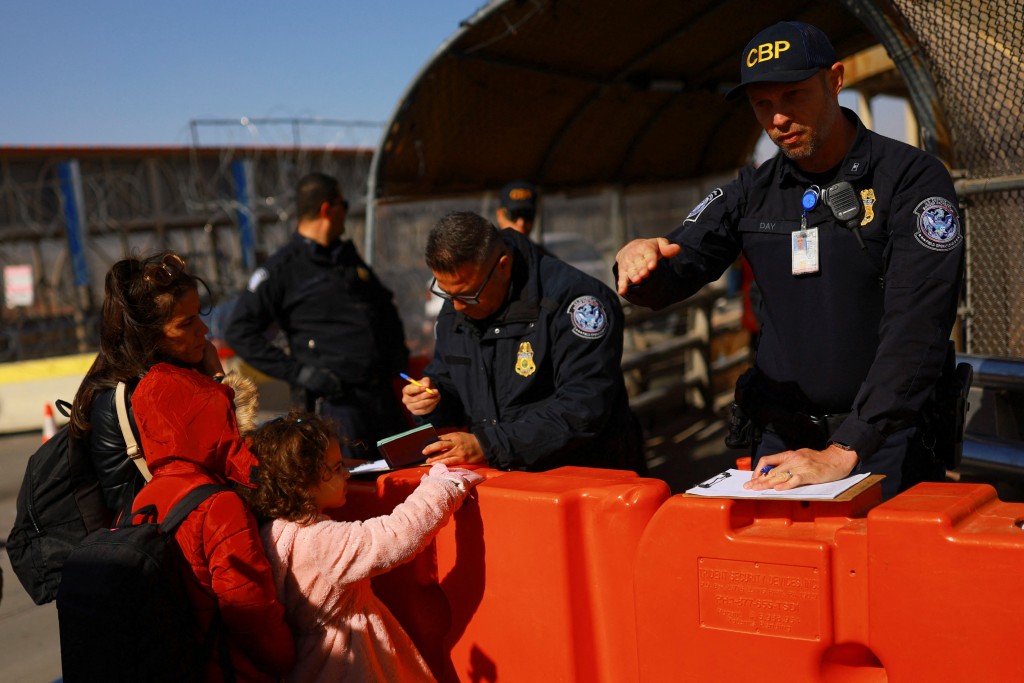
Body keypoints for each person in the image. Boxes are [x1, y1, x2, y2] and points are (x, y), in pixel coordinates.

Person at [615, 21, 964, 499]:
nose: (778, 118)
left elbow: (918, 325)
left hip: (884, 439)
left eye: (794, 95)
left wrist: (848, 446)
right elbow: (672, 269)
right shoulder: (751, 191)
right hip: (781, 438)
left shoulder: (910, 179)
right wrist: (637, 264)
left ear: (835, 80)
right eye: (763, 104)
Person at [243, 411, 483, 683]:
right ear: (302, 482)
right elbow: (395, 535)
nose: (346, 474)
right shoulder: (321, 542)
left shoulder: (271, 531)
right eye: (336, 468)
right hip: (349, 665)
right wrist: (443, 487)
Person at [403, 211, 646, 473]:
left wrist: (488, 445)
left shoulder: (575, 300)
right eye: (446, 294)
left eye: (469, 295)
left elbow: (583, 408)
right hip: (509, 480)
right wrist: (431, 401)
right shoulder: (459, 301)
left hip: (584, 479)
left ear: (503, 266)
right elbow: (448, 380)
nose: (458, 306)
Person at [226, 172, 410, 459]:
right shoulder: (284, 269)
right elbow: (239, 331)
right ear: (327, 209)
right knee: (354, 487)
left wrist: (398, 358)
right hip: (338, 404)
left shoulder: (344, 258)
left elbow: (382, 309)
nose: (346, 213)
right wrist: (300, 373)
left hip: (382, 397)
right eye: (344, 204)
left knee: (407, 474)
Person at [131, 362, 295, 682]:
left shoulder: (143, 499)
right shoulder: (219, 504)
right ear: (202, 420)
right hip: (231, 670)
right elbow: (250, 608)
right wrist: (289, 658)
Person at [70, 251, 226, 522]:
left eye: (198, 315)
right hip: (156, 538)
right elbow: (229, 454)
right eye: (187, 323)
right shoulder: (145, 395)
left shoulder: (172, 376)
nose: (203, 329)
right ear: (149, 335)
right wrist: (217, 379)